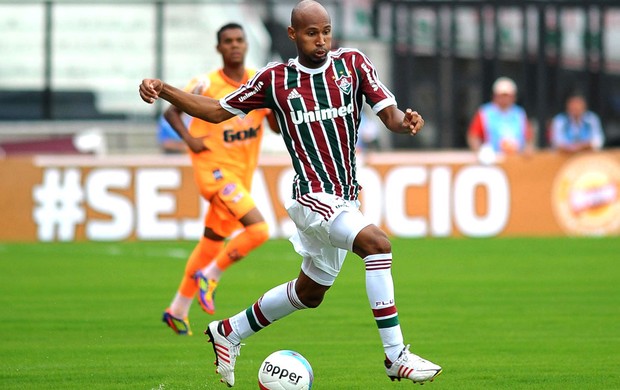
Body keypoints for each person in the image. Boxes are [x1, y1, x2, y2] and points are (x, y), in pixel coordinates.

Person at [139, 0, 442, 386]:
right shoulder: (275, 80)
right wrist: (164, 89)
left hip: (346, 197)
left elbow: (390, 115)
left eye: (326, 31)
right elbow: (216, 110)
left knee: (310, 292)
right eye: (312, 33)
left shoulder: (353, 64)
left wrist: (407, 122)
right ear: (293, 34)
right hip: (312, 197)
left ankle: (229, 332)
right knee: (377, 245)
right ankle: (395, 355)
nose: (321, 40)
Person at [160, 22, 278, 336]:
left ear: (246, 45)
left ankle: (177, 310)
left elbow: (276, 128)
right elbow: (171, 112)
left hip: (240, 176)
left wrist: (278, 103)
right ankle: (211, 276)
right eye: (228, 41)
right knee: (259, 229)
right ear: (219, 48)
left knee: (211, 242)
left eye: (239, 40)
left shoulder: (258, 82)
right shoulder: (205, 84)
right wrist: (190, 140)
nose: (235, 45)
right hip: (214, 171)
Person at [467, 76, 534, 155]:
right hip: (493, 159)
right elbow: (473, 136)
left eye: (507, 96)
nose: (504, 99)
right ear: (495, 96)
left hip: (516, 158)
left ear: (513, 97)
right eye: (502, 96)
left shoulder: (519, 113)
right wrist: (480, 152)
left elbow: (528, 138)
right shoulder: (485, 113)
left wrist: (527, 149)